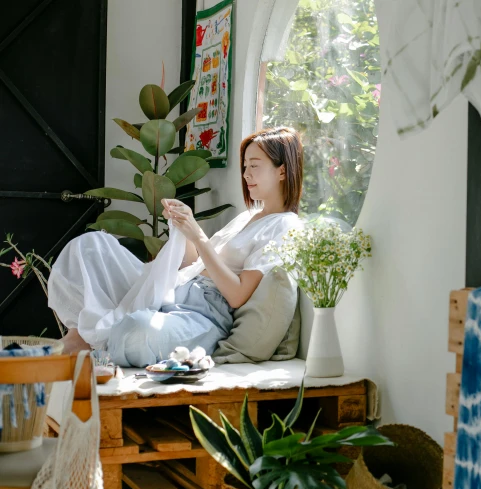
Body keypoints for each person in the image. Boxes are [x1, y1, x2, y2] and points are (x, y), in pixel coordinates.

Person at [48, 127, 304, 367]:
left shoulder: (284, 226)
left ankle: (89, 349)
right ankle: (77, 337)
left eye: (255, 166)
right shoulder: (248, 216)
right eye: (245, 166)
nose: (246, 174)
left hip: (204, 314)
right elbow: (194, 264)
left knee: (136, 329)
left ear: (282, 171)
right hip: (174, 290)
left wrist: (199, 236)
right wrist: (184, 228)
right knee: (89, 246)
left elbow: (237, 296)